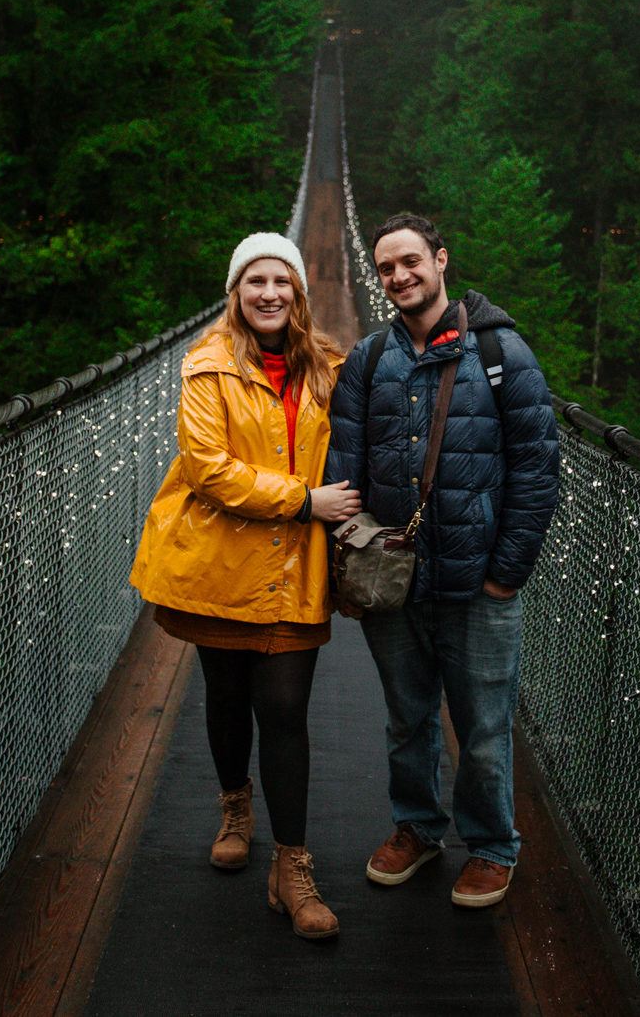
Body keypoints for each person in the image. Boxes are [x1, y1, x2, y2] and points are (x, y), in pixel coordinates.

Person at [323, 213, 560, 908]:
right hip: (392, 581)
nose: (399, 276)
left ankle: (491, 847)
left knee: (484, 726)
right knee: (407, 717)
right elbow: (346, 472)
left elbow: (538, 470)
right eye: (386, 267)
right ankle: (418, 829)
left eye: (410, 262)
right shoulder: (368, 360)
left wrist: (504, 573)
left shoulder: (502, 353)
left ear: (441, 260)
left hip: (477, 584)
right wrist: (348, 567)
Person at [130, 232, 361, 940]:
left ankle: (291, 868)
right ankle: (236, 805)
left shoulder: (330, 365)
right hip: (223, 564)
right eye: (255, 281)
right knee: (228, 694)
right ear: (237, 292)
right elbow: (208, 467)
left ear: (298, 293)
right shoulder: (206, 367)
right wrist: (303, 501)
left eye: (281, 282)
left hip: (294, 570)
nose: (269, 293)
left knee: (286, 711)